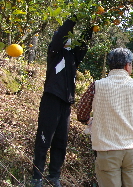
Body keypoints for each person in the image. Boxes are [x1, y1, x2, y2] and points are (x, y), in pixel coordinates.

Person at [30, 15, 93, 187]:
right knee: (44, 138)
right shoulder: (54, 52)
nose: (67, 40)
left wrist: (92, 24)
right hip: (51, 99)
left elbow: (83, 46)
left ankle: (54, 175)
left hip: (66, 103)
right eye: (66, 37)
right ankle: (37, 176)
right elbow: (59, 37)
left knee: (61, 141)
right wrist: (72, 20)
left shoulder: (73, 57)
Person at [77, 47, 133, 187]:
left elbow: (81, 113)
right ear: (128, 65)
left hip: (107, 148)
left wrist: (88, 121)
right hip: (132, 149)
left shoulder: (97, 86)